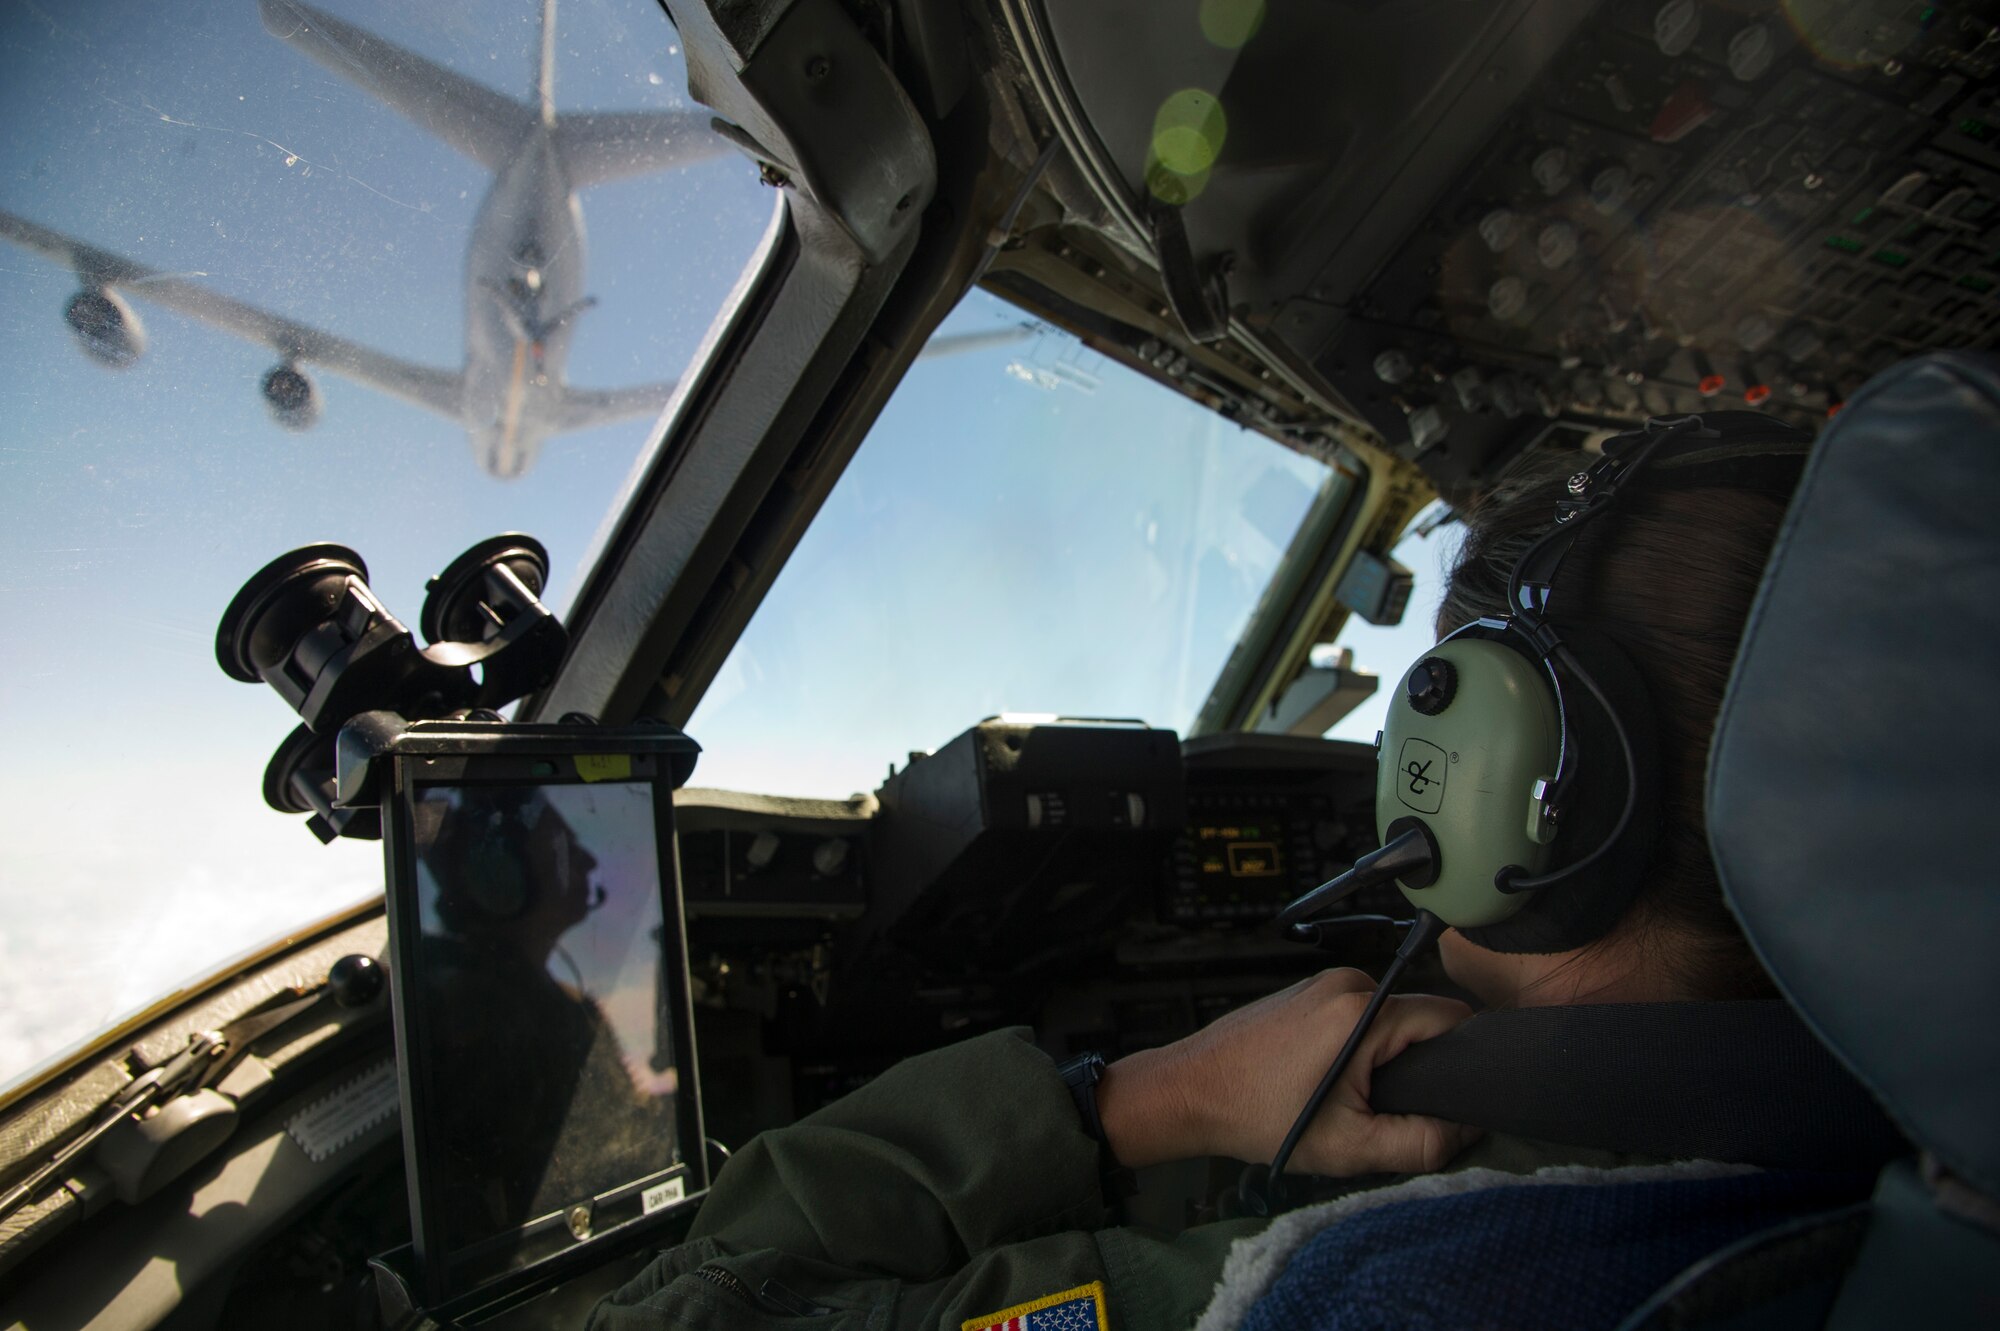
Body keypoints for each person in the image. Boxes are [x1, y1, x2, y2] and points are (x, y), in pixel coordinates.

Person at [589, 432, 1873, 1331]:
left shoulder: (1396, 1286)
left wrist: (1156, 1093)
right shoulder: (1875, 1147)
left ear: (1487, 779)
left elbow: (697, 1295)